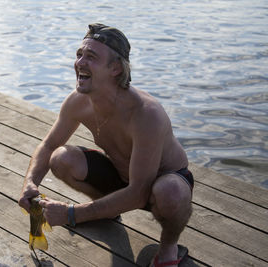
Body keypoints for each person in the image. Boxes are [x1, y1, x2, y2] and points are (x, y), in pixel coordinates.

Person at [19, 23, 193, 267]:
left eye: (91, 57)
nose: (80, 63)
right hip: (122, 178)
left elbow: (139, 191)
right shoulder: (77, 101)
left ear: (116, 68)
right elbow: (48, 145)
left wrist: (71, 214)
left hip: (160, 183)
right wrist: (30, 183)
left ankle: (168, 248)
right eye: (79, 54)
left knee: (170, 192)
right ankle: (108, 210)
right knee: (60, 158)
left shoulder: (146, 113)